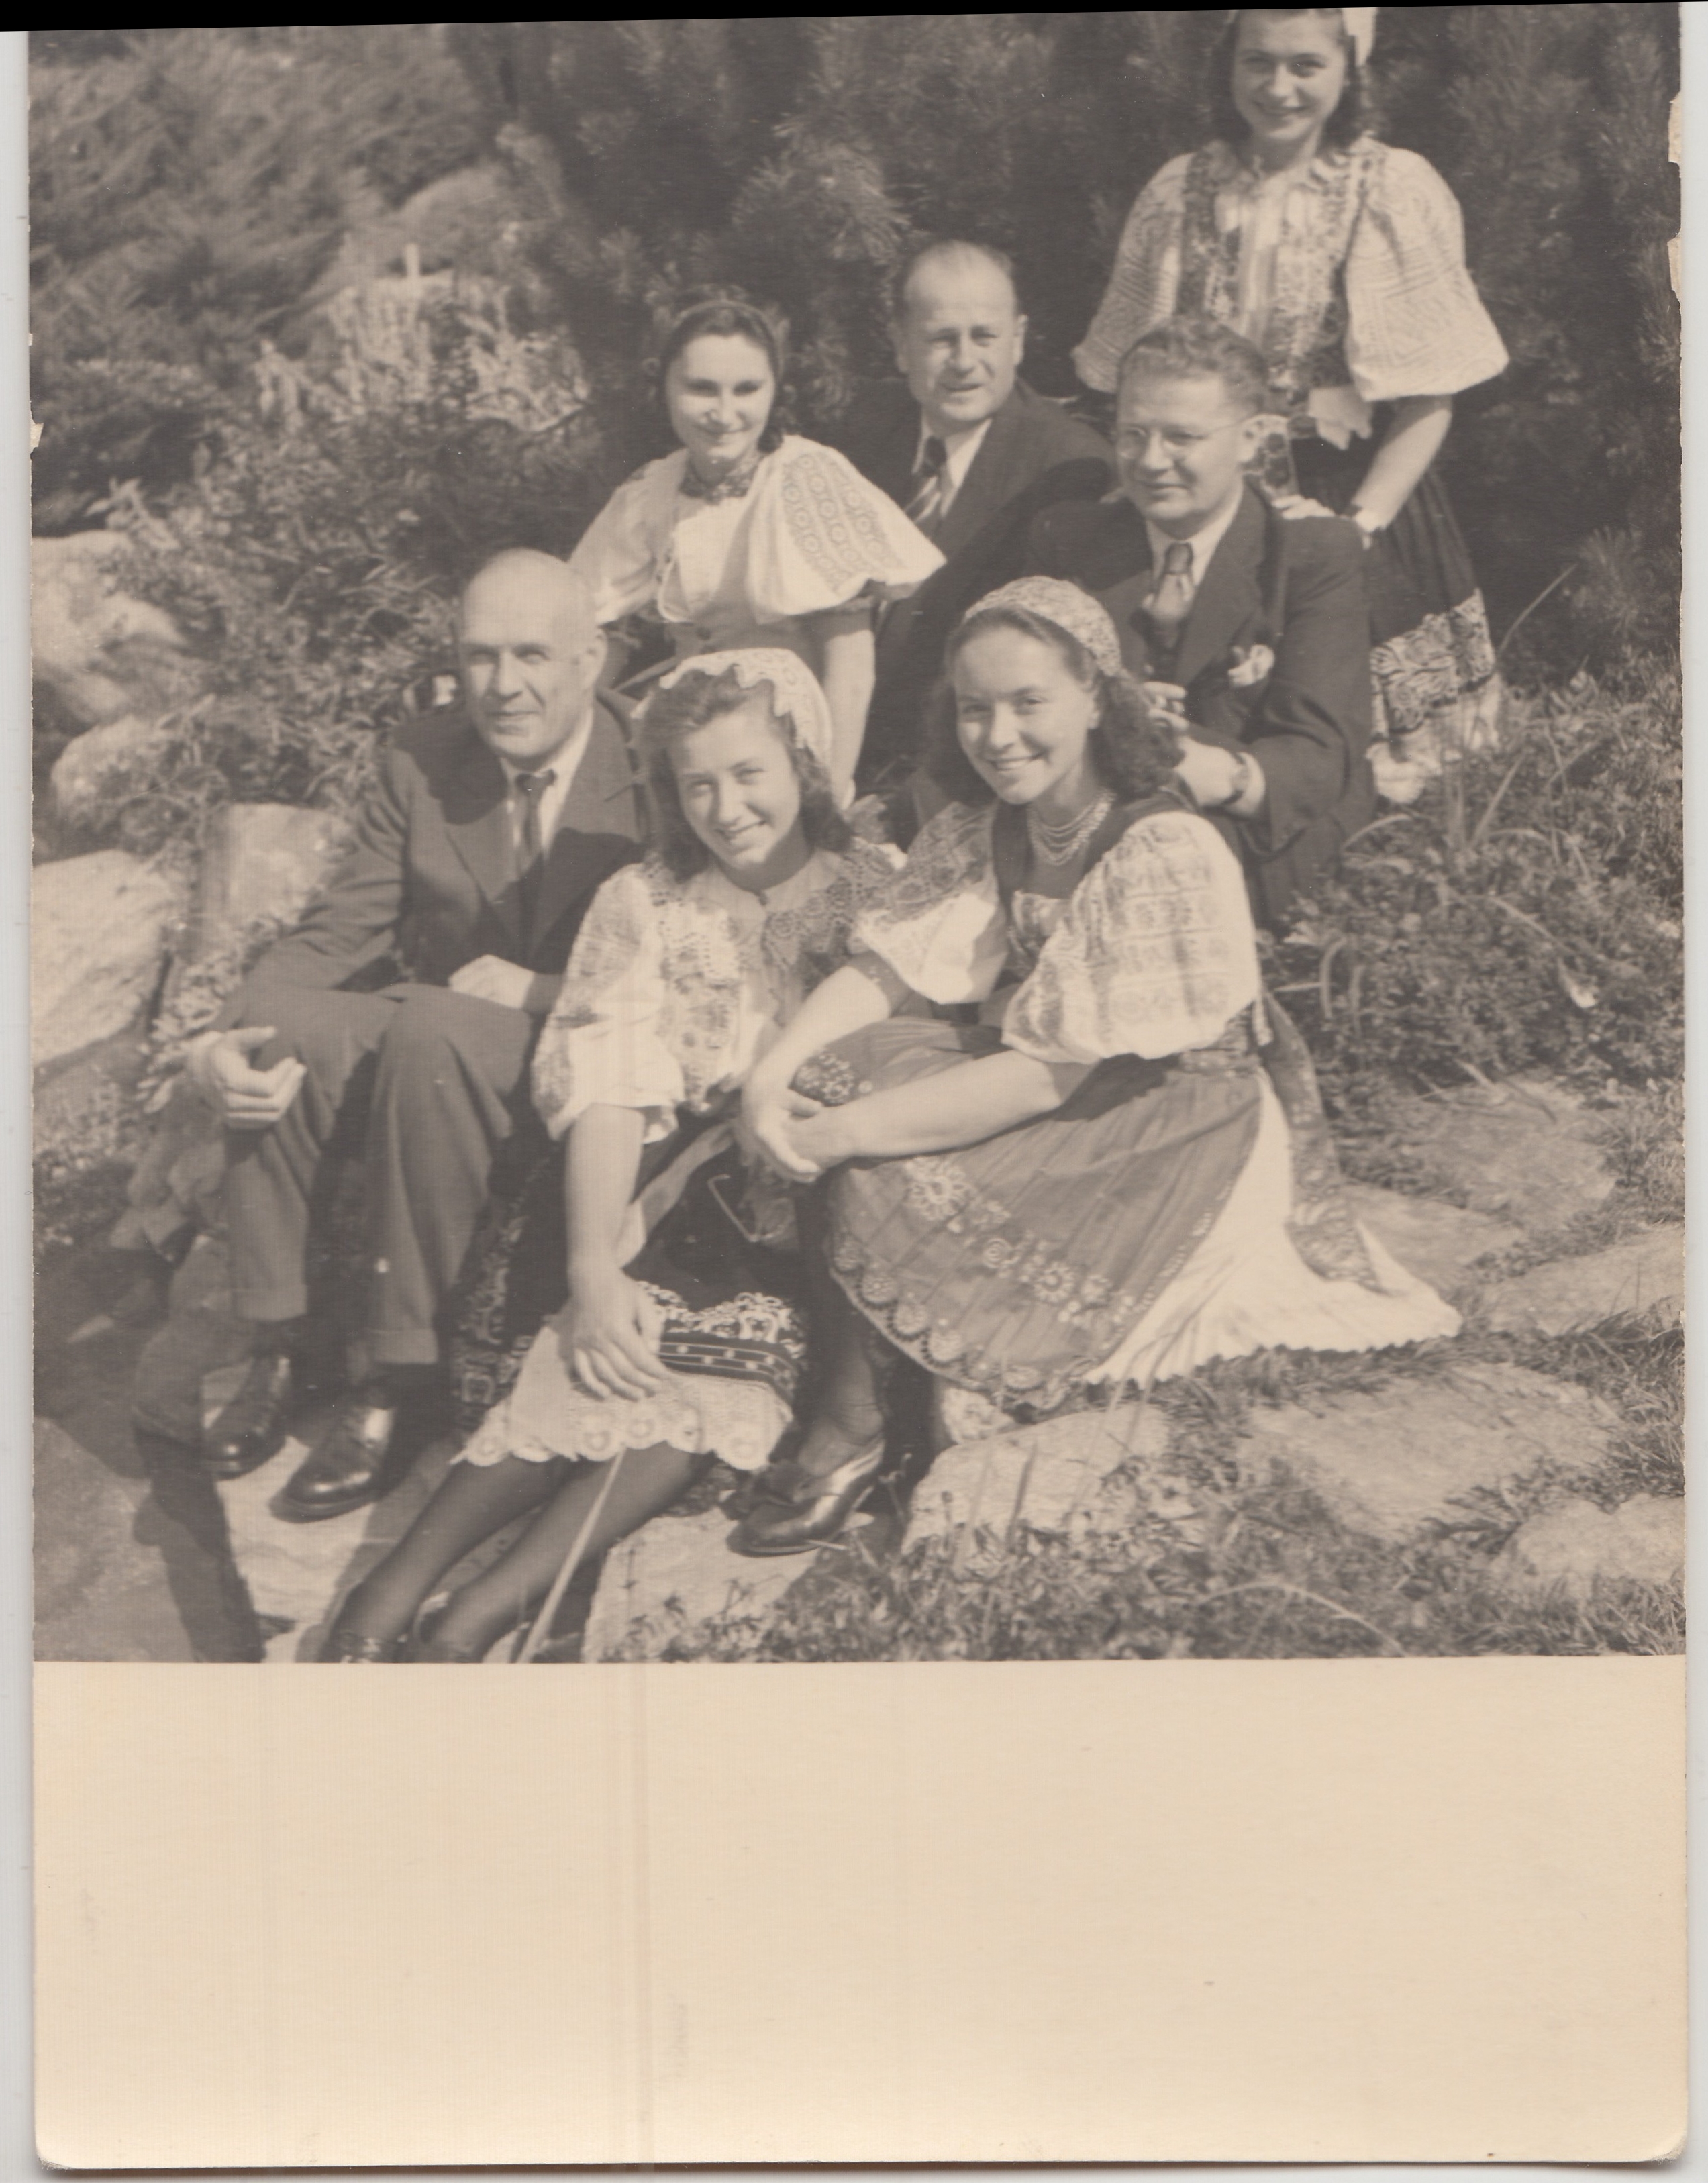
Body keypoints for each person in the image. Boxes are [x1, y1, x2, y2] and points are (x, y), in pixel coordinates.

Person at [732, 579, 1457, 1556]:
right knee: (829, 1074)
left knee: (872, 1156)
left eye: (1028, 702)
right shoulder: (992, 823)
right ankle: (870, 1380)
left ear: (1095, 698)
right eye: (975, 708)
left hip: (1172, 1112)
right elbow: (887, 967)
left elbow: (1045, 1079)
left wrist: (842, 1134)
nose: (998, 736)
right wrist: (773, 1070)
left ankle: (852, 1424)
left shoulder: (1161, 844)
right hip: (1058, 1063)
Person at [318, 650, 901, 1660]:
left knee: (712, 1384)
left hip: (821, 1209)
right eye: (697, 784)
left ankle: (473, 1617)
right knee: (603, 1353)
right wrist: (593, 1267)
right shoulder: (648, 902)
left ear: (804, 763)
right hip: (680, 1193)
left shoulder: (876, 889)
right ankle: (384, 1595)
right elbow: (608, 1087)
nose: (726, 808)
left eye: (749, 774)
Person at [186, 552, 642, 1520]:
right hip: (439, 1054)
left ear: (590, 658)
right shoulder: (427, 756)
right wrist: (219, 1043)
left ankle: (401, 1379)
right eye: (479, 656)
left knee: (432, 1022)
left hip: (585, 1053)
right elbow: (333, 936)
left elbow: (692, 963)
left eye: (531, 655)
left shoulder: (651, 765)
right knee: (287, 1025)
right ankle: (283, 1342)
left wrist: (540, 990)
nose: (502, 685)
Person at [1072, 7, 1508, 801]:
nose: (1279, 88)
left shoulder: (1388, 188)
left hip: (1351, 492)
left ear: (1348, 69)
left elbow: (1430, 400)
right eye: (1258, 62)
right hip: (1209, 492)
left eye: (1305, 65)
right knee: (1211, 730)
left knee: (1373, 763)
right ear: (1227, 65)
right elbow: (1131, 377)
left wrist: (1358, 526)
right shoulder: (1179, 191)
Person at [1029, 315, 1372, 930]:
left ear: (1250, 438)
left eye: (1181, 438)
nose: (1150, 461)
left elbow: (1317, 754)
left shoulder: (1311, 555)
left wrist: (1216, 773)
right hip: (1092, 832)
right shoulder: (1071, 542)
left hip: (1250, 845)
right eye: (1132, 434)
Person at [567, 294, 943, 803]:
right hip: (691, 744)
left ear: (774, 390)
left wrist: (826, 798)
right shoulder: (651, 492)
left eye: (746, 389)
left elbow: (850, 668)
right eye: (701, 388)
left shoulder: (805, 478)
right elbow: (596, 627)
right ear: (664, 387)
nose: (724, 414)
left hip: (791, 748)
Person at [836, 240, 1113, 809]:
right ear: (901, 345)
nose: (964, 361)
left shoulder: (1066, 468)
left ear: (1018, 339)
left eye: (984, 336)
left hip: (963, 781)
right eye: (941, 339)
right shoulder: (866, 429)